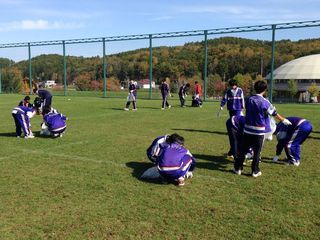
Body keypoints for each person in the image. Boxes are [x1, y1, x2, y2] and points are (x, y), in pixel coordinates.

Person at [233, 80, 292, 177]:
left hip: (247, 129)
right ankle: (255, 171)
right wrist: (284, 120)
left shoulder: (249, 99)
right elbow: (274, 113)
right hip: (259, 131)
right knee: (257, 152)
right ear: (265, 90)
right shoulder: (265, 102)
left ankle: (238, 168)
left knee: (243, 150)